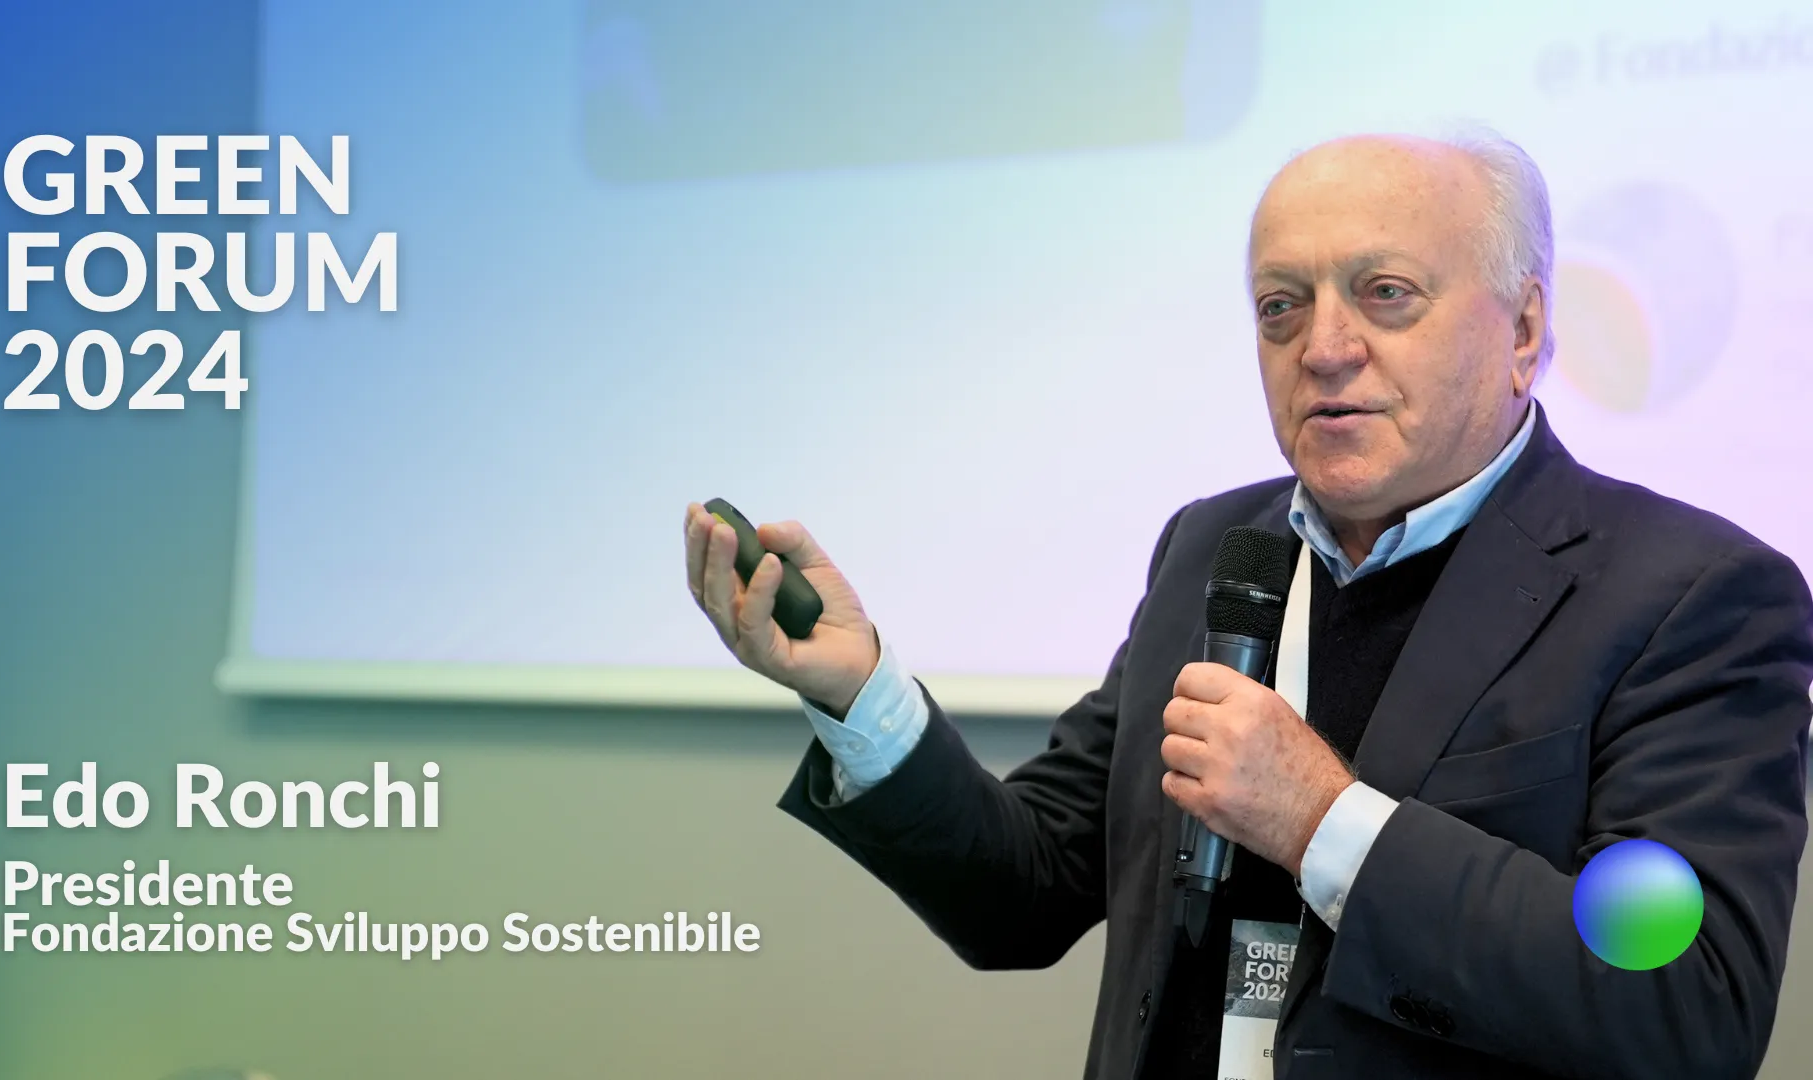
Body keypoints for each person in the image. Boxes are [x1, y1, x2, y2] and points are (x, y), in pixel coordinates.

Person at [682, 131, 1813, 1080]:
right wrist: (860, 695)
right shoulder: (1217, 551)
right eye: (1281, 307)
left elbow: (1685, 1006)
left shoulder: (1692, 598)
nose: (1323, 349)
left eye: (1385, 295)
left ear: (1522, 331)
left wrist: (1321, 818)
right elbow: (1022, 896)